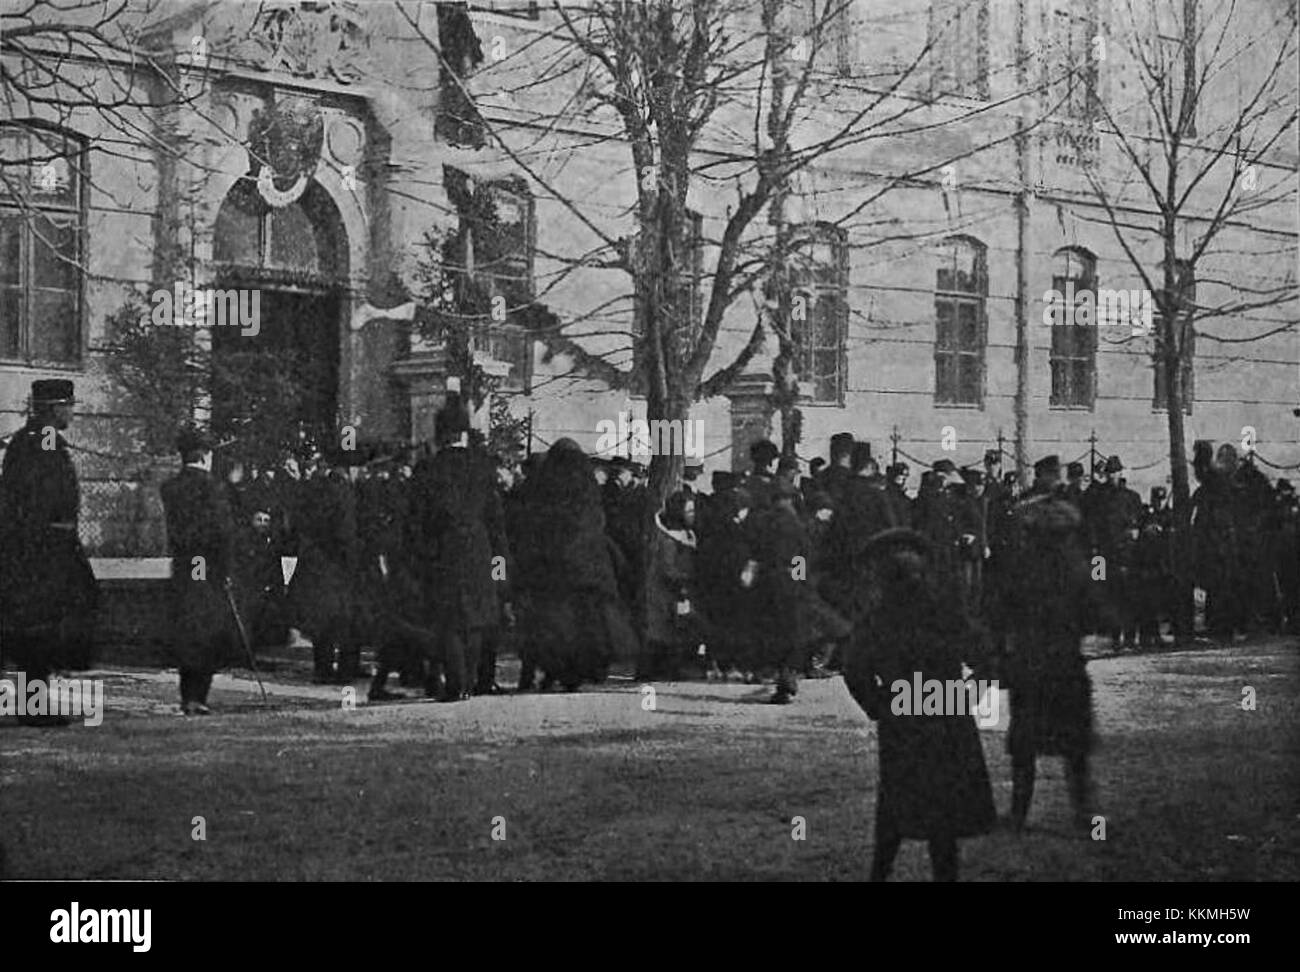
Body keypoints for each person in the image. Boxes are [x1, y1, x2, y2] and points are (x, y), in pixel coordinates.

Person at [842, 528, 996, 881]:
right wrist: (968, 695)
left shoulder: (879, 618)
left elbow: (855, 670)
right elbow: (986, 656)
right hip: (946, 712)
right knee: (944, 809)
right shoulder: (945, 610)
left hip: (903, 715)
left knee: (896, 799)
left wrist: (880, 705)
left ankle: (880, 874)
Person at [999, 455, 1095, 831]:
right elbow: (1093, 611)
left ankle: (1019, 813)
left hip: (1029, 662)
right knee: (1074, 742)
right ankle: (1084, 814)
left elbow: (1001, 607)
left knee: (1024, 740)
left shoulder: (1023, 566)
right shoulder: (1075, 565)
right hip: (1067, 663)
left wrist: (998, 649)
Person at [0, 379, 99, 726]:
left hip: (40, 551)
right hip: (40, 554)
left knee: (34, 631)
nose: (72, 411)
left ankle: (35, 704)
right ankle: (34, 707)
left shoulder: (32, 441)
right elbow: (39, 501)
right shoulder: (41, 442)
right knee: (35, 631)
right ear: (55, 408)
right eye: (68, 405)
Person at [410, 393, 513, 701]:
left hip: (443, 550)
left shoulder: (428, 469)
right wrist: (500, 557)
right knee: (476, 619)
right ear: (465, 432)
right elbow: (495, 519)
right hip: (479, 549)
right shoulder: (482, 468)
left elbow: (417, 519)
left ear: (441, 434)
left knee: (450, 618)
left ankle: (456, 681)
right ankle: (469, 678)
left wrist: (420, 554)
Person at [515, 438, 635, 691]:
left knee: (551, 622)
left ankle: (546, 670)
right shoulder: (587, 486)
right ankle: (578, 672)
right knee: (586, 623)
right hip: (589, 567)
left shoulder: (541, 485)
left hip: (550, 568)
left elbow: (528, 526)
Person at [160, 426, 237, 716]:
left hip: (184, 563)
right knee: (205, 628)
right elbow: (222, 532)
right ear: (205, 454)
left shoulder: (170, 487)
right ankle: (198, 696)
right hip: (206, 565)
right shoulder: (213, 487)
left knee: (186, 626)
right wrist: (226, 570)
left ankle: (186, 695)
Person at [640, 490, 703, 681]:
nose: (692, 515)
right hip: (664, 590)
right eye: (689, 511)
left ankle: (668, 668)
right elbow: (667, 569)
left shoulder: (687, 535)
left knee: (674, 629)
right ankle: (654, 669)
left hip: (676, 590)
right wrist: (685, 579)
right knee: (662, 630)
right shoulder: (668, 540)